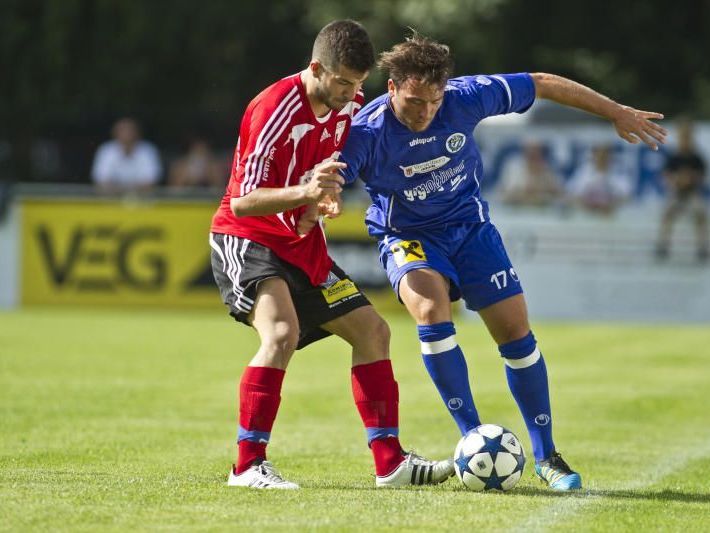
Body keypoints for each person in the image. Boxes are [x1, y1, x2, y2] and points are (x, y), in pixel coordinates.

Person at [328, 33, 666, 491]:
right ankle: (472, 439)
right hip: (406, 236)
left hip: (471, 231)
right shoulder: (367, 132)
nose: (425, 111)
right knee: (430, 310)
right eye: (413, 102)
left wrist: (617, 113)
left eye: (433, 100)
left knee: (515, 332)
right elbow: (332, 173)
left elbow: (542, 82)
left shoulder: (466, 97)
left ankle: (548, 456)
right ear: (391, 88)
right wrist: (324, 193)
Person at [209, 21, 453, 490]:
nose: (351, 94)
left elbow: (330, 172)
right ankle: (247, 465)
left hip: (303, 244)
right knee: (281, 332)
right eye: (342, 82)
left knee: (373, 331)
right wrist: (305, 192)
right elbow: (242, 201)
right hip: (248, 237)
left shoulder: (351, 103)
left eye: (358, 84)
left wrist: (323, 199)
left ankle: (390, 465)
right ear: (316, 67)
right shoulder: (272, 109)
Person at [655, 118, 708, 262]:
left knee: (700, 212)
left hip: (692, 192)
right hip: (677, 192)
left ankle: (702, 247)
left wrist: (691, 179)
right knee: (667, 212)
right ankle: (663, 245)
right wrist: (677, 180)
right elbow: (666, 177)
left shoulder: (696, 157)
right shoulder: (674, 157)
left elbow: (702, 178)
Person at [91, 117, 162, 192]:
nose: (127, 134)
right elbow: (101, 180)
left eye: (130, 131)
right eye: (123, 131)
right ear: (115, 133)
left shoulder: (148, 150)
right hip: (111, 199)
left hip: (143, 200)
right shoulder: (106, 150)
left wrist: (122, 191)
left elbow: (151, 181)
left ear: (137, 133)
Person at [566, 144, 633, 215]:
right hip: (587, 215)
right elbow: (572, 196)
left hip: (611, 216)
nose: (602, 157)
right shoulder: (583, 173)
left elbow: (628, 198)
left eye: (605, 154)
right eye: (599, 154)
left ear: (610, 156)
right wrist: (588, 205)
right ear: (594, 155)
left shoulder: (618, 173)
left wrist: (611, 204)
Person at [498, 141, 564, 207]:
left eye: (538, 152)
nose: (535, 155)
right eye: (531, 153)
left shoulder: (548, 169)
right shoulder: (514, 167)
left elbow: (560, 192)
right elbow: (506, 194)